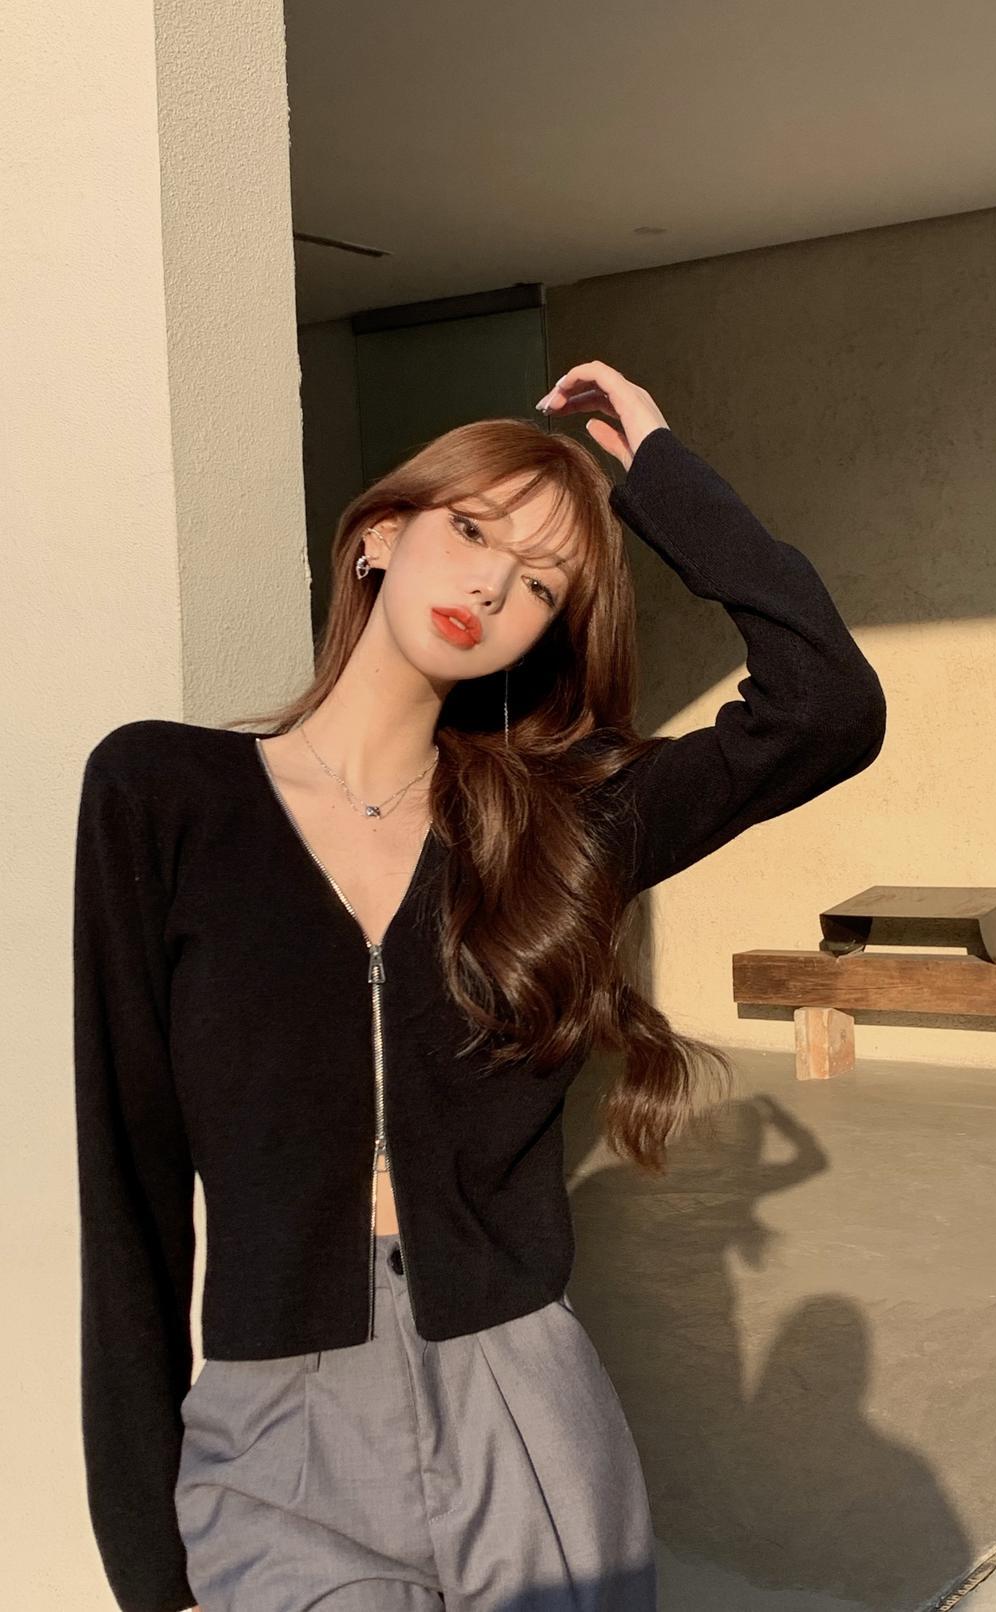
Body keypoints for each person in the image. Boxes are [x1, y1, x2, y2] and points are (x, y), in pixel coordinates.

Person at [72, 359, 887, 1612]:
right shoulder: (162, 795)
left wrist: (661, 473)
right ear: (378, 535)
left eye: (542, 581)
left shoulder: (560, 826)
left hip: (527, 1413)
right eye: (471, 530)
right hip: (280, 1437)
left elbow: (826, 705)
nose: (494, 584)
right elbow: (126, 1192)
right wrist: (145, 1562)